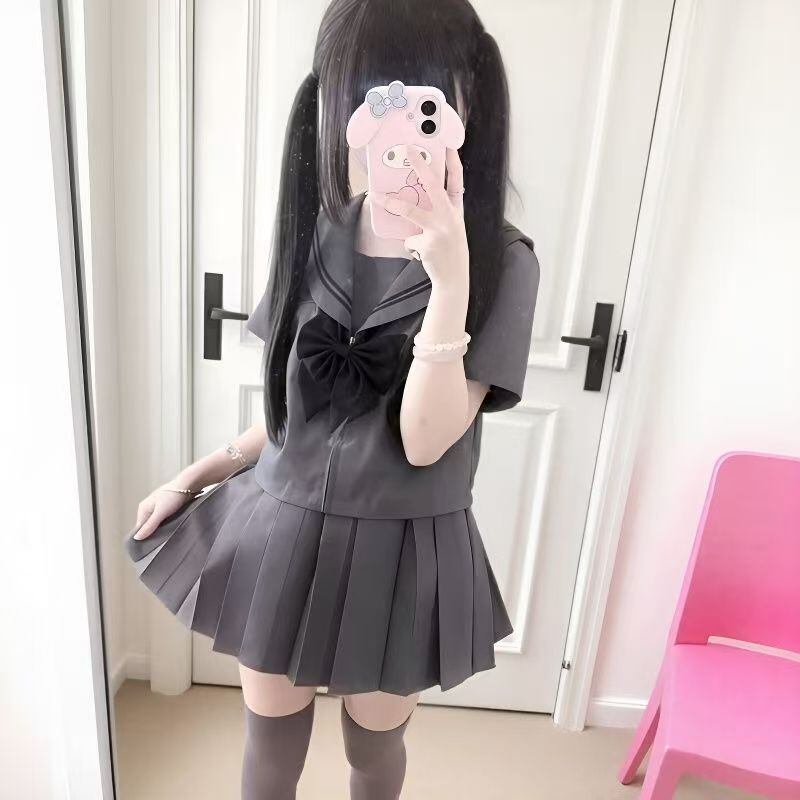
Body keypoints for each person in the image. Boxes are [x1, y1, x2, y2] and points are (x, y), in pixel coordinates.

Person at [126, 0, 539, 797]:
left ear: (466, 99)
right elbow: (292, 415)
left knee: (373, 756)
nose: (395, 112)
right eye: (370, 90)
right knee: (269, 754)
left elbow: (425, 440)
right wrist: (197, 475)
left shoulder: (504, 262)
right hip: (281, 530)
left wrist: (451, 282)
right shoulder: (315, 231)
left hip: (402, 551)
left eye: (420, 92)